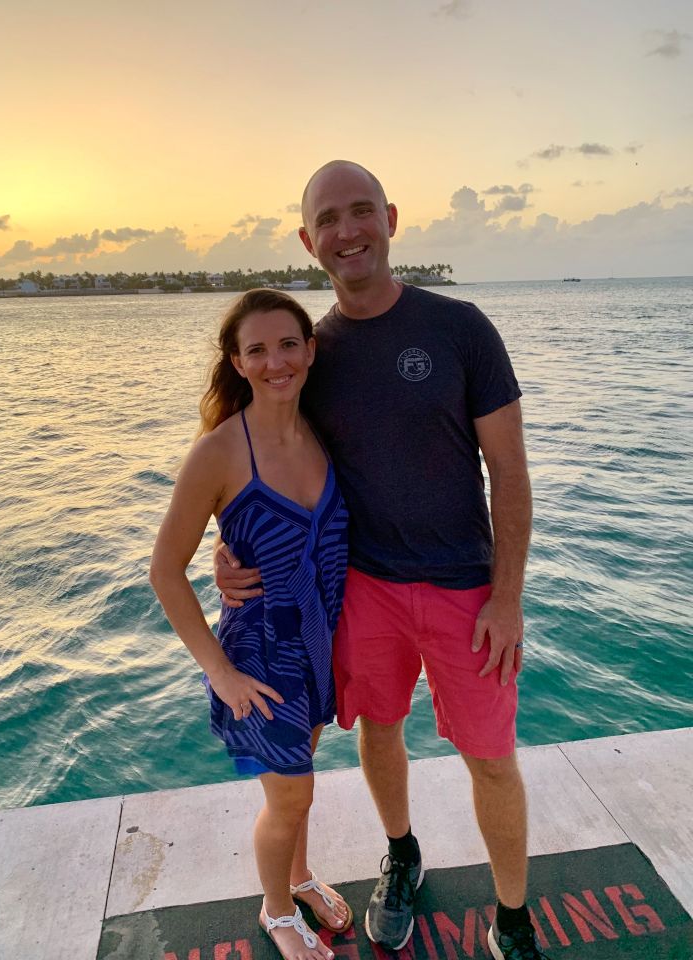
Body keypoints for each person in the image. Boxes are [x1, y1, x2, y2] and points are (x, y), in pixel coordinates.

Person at [216, 162, 548, 960]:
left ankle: (512, 919)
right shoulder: (311, 353)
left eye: (361, 211)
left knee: (491, 758)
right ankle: (401, 854)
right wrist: (227, 548)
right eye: (328, 219)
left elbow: (509, 470)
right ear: (309, 240)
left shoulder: (461, 328)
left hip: (466, 588)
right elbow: (265, 454)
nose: (348, 231)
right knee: (379, 730)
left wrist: (507, 597)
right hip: (363, 588)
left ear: (390, 219)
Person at [150, 288, 353, 960]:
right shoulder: (218, 453)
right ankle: (278, 913)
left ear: (310, 350)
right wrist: (222, 674)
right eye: (257, 350)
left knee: (298, 786)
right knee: (290, 796)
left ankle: (299, 877)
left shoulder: (323, 430)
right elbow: (164, 571)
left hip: (318, 649)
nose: (275, 362)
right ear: (237, 363)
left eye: (288, 344)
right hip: (260, 661)